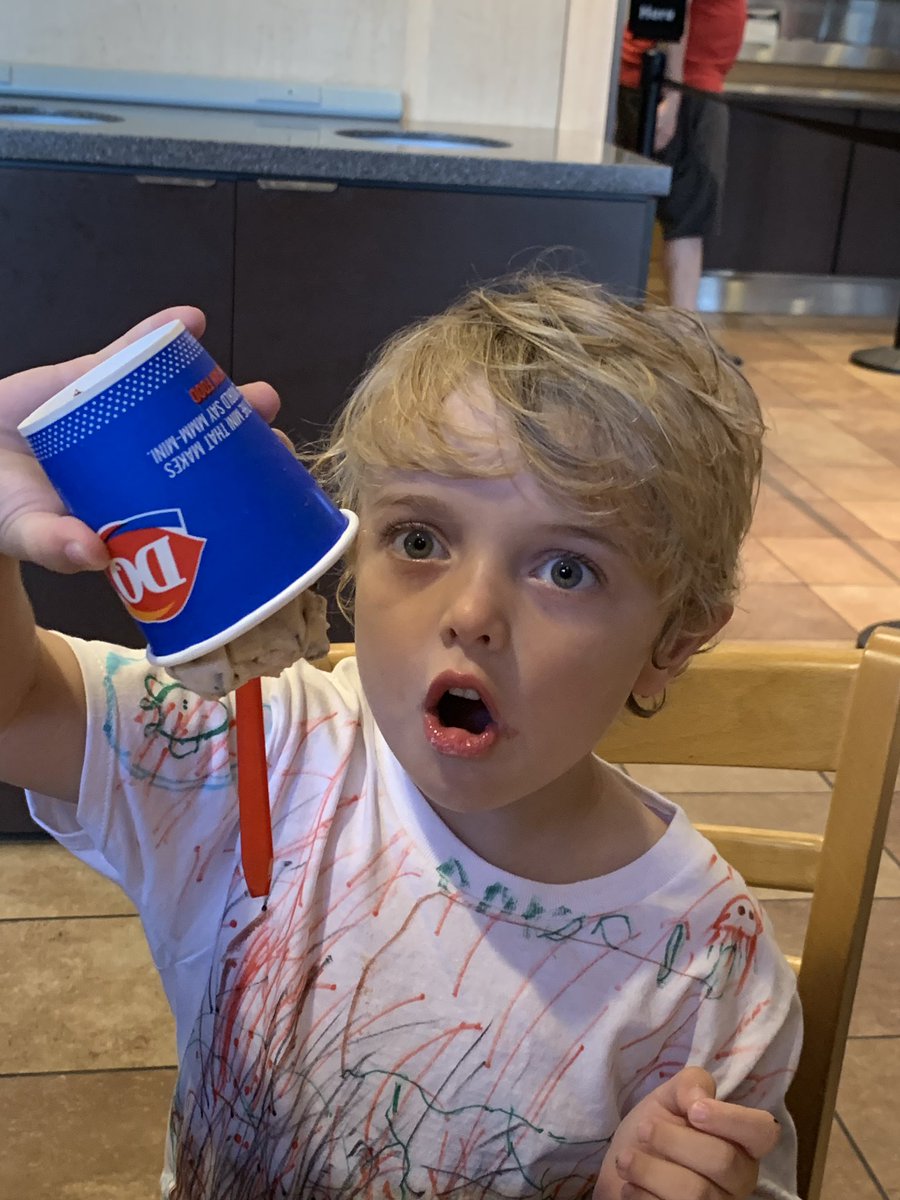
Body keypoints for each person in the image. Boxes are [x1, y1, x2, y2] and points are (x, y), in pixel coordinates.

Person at [0, 277, 799, 1199]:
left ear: (673, 641)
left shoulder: (705, 967)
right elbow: (17, 707)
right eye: (420, 540)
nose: (471, 614)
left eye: (567, 568)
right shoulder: (250, 747)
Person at [617, 0, 748, 314]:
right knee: (687, 216)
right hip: (684, 87)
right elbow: (672, 7)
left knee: (684, 216)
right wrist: (671, 93)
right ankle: (683, 337)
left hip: (685, 84)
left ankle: (682, 334)